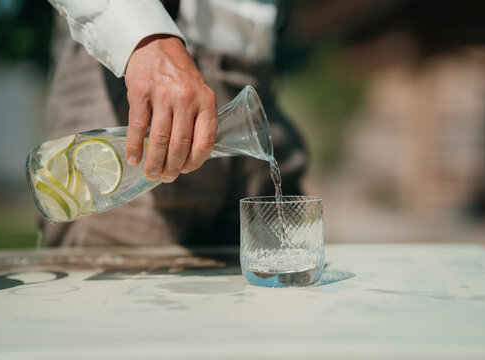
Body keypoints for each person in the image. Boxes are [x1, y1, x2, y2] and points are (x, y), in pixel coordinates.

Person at [44, 0, 307, 246]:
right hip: (139, 73)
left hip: (258, 81)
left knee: (270, 288)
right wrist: (147, 39)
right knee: (121, 290)